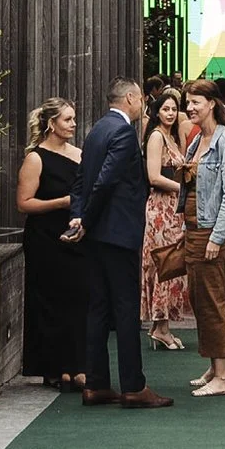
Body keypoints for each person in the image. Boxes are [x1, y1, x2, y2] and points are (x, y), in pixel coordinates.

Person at [67, 79, 171, 408]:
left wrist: (79, 217)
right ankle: (133, 386)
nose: (143, 105)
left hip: (97, 235)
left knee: (98, 308)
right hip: (118, 233)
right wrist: (86, 219)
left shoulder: (97, 129)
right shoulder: (124, 132)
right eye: (140, 99)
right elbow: (104, 181)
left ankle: (96, 383)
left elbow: (82, 180)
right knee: (126, 310)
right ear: (130, 98)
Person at [180, 80, 225, 396]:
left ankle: (223, 376)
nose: (189, 107)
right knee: (199, 298)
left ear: (211, 103)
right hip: (195, 230)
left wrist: (216, 238)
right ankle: (215, 366)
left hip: (211, 232)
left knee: (211, 301)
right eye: (188, 102)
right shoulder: (198, 140)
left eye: (195, 101)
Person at [15, 97, 87, 390]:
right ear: (51, 123)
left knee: (77, 299)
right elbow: (24, 203)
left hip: (76, 235)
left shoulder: (80, 155)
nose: (73, 124)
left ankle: (78, 365)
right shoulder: (35, 157)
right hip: (44, 238)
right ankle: (54, 368)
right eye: (67, 119)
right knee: (49, 302)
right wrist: (62, 203)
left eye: (73, 119)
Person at [141, 87, 194, 351]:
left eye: (174, 109)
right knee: (165, 263)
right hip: (161, 209)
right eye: (165, 109)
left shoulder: (172, 138)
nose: (171, 113)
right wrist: (181, 189)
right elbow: (153, 176)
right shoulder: (156, 137)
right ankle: (161, 327)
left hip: (174, 209)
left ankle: (160, 326)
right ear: (156, 111)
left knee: (173, 265)